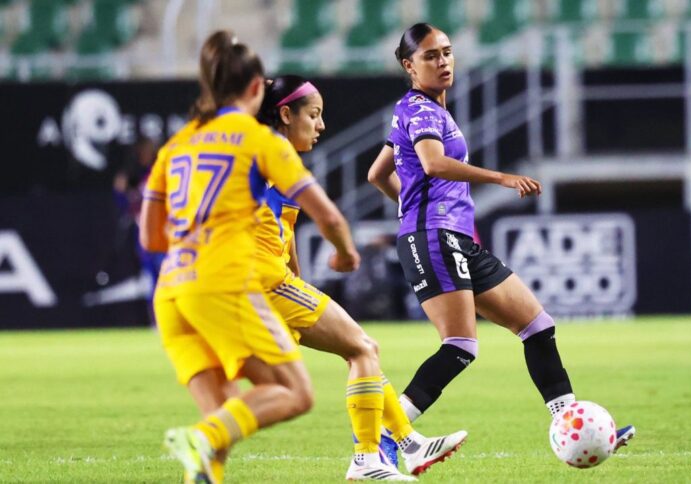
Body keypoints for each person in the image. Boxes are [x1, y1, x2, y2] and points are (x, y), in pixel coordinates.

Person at [367, 23, 635, 450]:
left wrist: (409, 204)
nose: (443, 62)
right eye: (431, 56)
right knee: (460, 345)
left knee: (538, 327)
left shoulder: (428, 111)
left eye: (447, 53)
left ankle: (571, 425)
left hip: (452, 237)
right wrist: (499, 178)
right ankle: (384, 438)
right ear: (409, 65)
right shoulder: (419, 110)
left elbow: (377, 173)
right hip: (435, 238)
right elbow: (434, 165)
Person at [139, 31, 347, 484]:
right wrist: (345, 254)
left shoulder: (176, 145)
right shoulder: (259, 140)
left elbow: (151, 237)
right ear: (257, 90)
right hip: (222, 285)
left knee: (221, 436)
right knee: (294, 393)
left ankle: (206, 447)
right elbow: (328, 217)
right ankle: (201, 435)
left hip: (172, 294)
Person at [253, 75, 466, 479]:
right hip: (263, 281)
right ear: (285, 114)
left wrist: (297, 280)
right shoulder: (273, 150)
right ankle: (367, 459)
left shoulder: (268, 154)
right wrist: (343, 251)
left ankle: (409, 444)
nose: (321, 126)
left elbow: (285, 225)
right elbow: (323, 216)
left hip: (271, 280)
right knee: (363, 349)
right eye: (313, 115)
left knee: (361, 348)